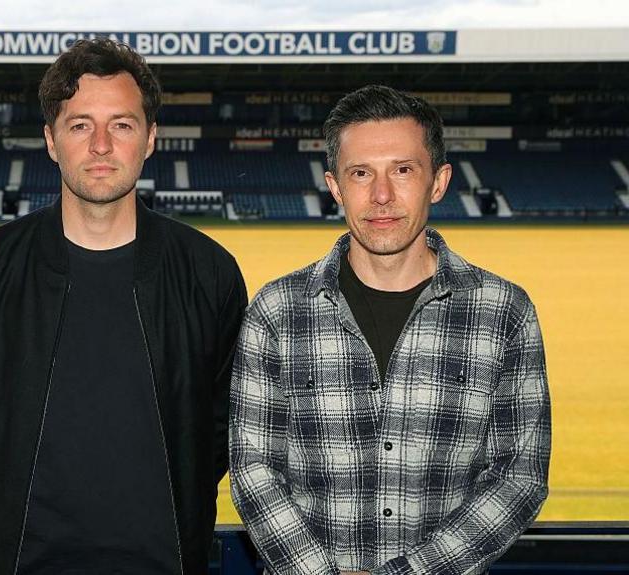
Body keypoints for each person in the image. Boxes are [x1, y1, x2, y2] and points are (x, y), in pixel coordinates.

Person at [0, 38, 247, 574]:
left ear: (150, 139)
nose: (101, 145)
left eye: (122, 125)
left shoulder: (209, 273)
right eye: (80, 125)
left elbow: (228, 429)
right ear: (51, 140)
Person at [229, 85, 550, 575]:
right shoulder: (276, 311)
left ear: (438, 182)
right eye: (361, 173)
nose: (381, 196)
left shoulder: (504, 311)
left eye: (402, 170)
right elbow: (253, 470)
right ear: (336, 187)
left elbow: (519, 477)